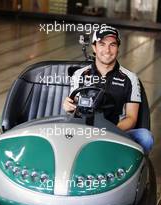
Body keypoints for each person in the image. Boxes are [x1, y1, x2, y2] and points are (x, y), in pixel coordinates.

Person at [63, 24, 154, 153]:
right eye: (102, 44)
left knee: (145, 137)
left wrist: (109, 132)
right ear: (94, 47)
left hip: (116, 132)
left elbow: (131, 118)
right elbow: (74, 109)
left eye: (112, 45)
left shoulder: (130, 78)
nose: (107, 50)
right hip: (84, 131)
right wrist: (68, 106)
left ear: (118, 48)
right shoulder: (80, 75)